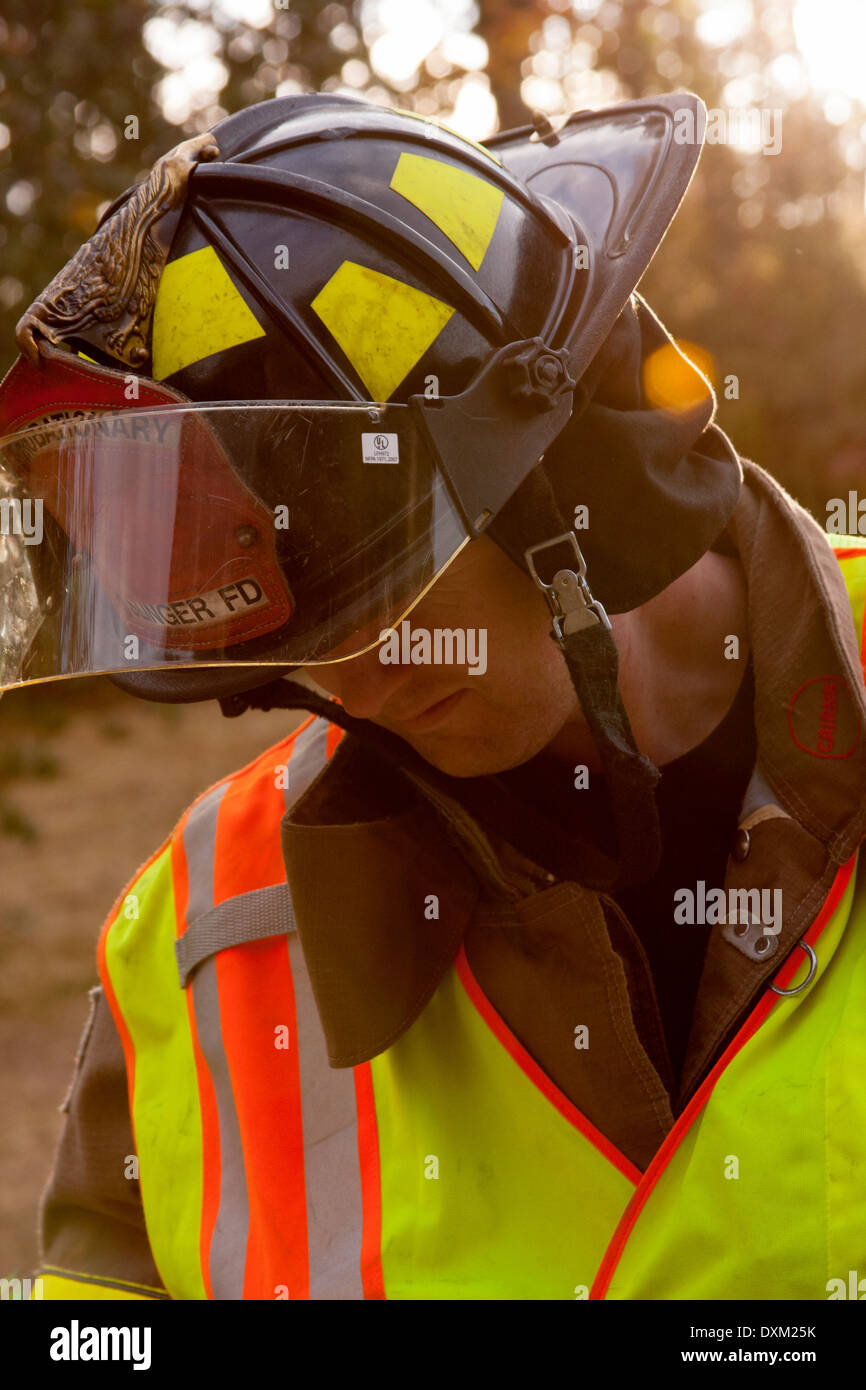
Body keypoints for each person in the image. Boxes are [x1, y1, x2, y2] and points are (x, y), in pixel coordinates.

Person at [1, 91, 865, 1302]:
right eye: (285, 621)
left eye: (385, 580)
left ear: (561, 474)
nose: (346, 672)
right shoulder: (198, 948)